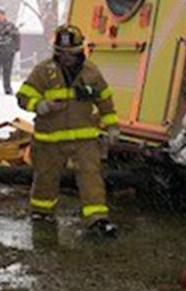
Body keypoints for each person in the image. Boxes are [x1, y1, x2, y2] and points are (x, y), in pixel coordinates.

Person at [16, 25, 121, 237]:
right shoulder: (43, 71)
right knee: (46, 177)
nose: (65, 57)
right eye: (61, 52)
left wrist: (112, 126)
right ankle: (42, 212)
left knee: (91, 177)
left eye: (70, 53)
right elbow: (23, 97)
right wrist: (41, 105)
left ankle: (97, 219)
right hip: (49, 139)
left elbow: (105, 100)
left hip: (84, 138)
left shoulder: (91, 72)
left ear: (80, 50)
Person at [0, 9, 21, 95]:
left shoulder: (10, 25)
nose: (0, 16)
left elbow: (16, 36)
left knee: (7, 72)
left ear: (5, 16)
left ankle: (7, 88)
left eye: (2, 14)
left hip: (8, 52)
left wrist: (15, 48)